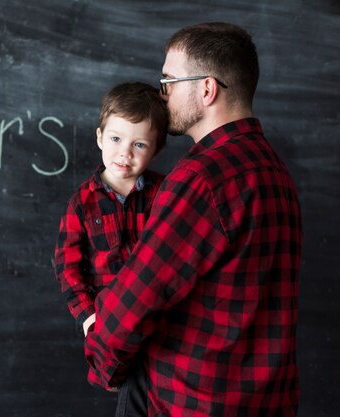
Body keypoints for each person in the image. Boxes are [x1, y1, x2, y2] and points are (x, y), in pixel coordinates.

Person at [84, 22, 302, 417]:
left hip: (189, 403)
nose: (161, 93)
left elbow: (139, 294)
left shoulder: (203, 178)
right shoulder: (275, 171)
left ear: (206, 88)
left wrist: (104, 361)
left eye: (168, 80)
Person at [54, 82, 167, 413]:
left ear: (156, 149)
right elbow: (67, 265)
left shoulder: (166, 193)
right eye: (116, 139)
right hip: (114, 328)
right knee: (130, 400)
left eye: (139, 144)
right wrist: (89, 316)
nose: (125, 153)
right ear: (100, 137)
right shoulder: (83, 203)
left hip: (163, 325)